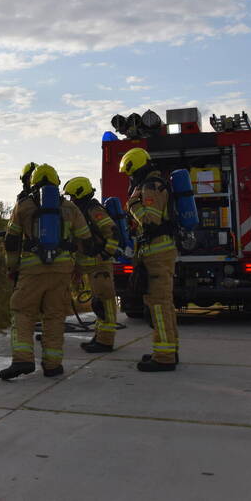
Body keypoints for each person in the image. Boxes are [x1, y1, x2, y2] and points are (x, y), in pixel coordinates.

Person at [0, 163, 92, 380]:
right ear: (57, 183)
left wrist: (12, 268)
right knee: (55, 315)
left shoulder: (24, 206)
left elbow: (11, 241)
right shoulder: (70, 208)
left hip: (32, 270)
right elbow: (85, 240)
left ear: (34, 184)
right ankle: (53, 365)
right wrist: (80, 267)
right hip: (62, 270)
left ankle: (23, 360)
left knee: (22, 311)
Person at [120, 147, 179, 372]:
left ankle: (164, 357)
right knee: (164, 304)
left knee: (158, 306)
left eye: (130, 173)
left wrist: (133, 205)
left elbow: (151, 220)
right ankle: (169, 350)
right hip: (158, 252)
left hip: (157, 253)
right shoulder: (156, 183)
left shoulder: (150, 186)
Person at [62, 176, 120, 353]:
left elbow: (112, 231)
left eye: (73, 196)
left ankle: (105, 342)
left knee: (105, 303)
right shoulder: (83, 211)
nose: (71, 200)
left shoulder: (94, 210)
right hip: (91, 266)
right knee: (98, 303)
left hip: (100, 266)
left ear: (80, 193)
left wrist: (105, 253)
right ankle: (100, 337)